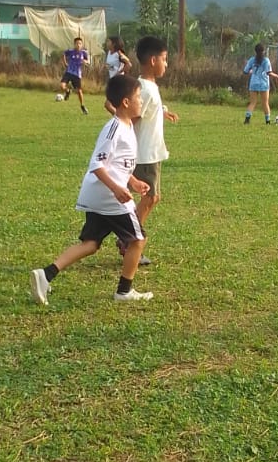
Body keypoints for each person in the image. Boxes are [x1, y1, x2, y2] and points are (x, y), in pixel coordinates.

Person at [31, 74, 153, 306]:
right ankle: (124, 291)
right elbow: (97, 164)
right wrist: (117, 189)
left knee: (91, 244)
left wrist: (133, 181)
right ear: (126, 102)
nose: (141, 101)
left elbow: (116, 163)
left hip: (100, 195)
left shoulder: (126, 126)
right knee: (138, 239)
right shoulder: (114, 129)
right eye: (138, 97)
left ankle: (45, 275)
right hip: (109, 196)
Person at [125, 35, 178, 268]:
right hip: (145, 154)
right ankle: (129, 240)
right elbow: (132, 117)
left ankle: (128, 237)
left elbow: (146, 110)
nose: (166, 64)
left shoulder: (148, 86)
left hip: (151, 152)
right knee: (150, 197)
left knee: (151, 198)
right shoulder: (145, 88)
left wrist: (162, 112)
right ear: (153, 60)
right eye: (165, 59)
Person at [242, 42, 278, 124]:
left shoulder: (251, 60)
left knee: (253, 102)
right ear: (263, 51)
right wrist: (277, 76)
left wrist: (252, 71)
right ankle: (267, 121)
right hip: (263, 84)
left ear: (255, 51)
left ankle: (247, 120)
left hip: (253, 83)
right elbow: (269, 72)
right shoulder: (266, 60)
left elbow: (245, 71)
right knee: (265, 103)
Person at [56, 36, 90, 114]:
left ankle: (82, 106)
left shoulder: (83, 53)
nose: (78, 45)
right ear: (74, 44)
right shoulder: (70, 51)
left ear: (82, 44)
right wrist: (65, 63)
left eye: (80, 43)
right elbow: (64, 54)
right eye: (77, 43)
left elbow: (88, 61)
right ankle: (68, 91)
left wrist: (85, 62)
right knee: (62, 86)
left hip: (77, 75)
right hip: (69, 72)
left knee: (79, 91)